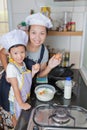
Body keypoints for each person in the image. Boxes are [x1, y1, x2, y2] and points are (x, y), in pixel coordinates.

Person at [0, 12, 62, 111]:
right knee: (11, 113)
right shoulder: (19, 42)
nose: (37, 37)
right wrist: (8, 71)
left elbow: (40, 75)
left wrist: (50, 66)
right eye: (33, 32)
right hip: (10, 85)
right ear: (28, 32)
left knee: (21, 115)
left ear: (46, 34)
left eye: (42, 33)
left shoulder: (43, 51)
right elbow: (2, 53)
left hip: (25, 88)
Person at [0, 29, 40, 127]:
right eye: (15, 53)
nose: (19, 56)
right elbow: (15, 87)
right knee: (16, 120)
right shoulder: (11, 68)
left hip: (23, 96)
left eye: (22, 52)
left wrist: (33, 72)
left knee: (21, 119)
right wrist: (21, 103)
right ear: (9, 54)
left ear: (25, 51)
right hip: (15, 100)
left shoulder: (22, 64)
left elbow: (25, 79)